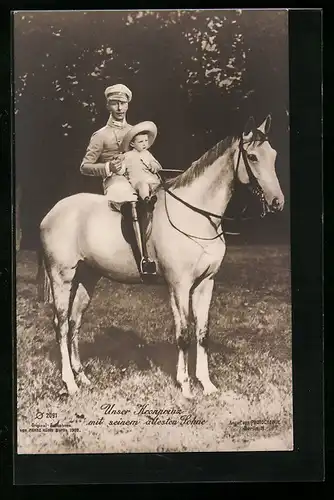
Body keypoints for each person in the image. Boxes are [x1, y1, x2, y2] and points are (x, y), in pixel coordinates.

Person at [80, 84, 157, 275]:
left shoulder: (135, 132)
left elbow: (144, 156)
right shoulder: (101, 136)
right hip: (117, 180)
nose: (120, 108)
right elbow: (85, 166)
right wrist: (108, 168)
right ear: (108, 106)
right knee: (129, 200)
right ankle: (142, 258)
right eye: (115, 104)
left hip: (139, 176)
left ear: (128, 105)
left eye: (123, 103)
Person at [120, 121, 162, 203]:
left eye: (146, 141)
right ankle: (146, 202)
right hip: (137, 181)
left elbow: (157, 164)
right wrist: (119, 161)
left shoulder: (147, 154)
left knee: (158, 187)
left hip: (152, 179)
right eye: (140, 142)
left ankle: (156, 200)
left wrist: (154, 165)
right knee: (143, 186)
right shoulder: (127, 155)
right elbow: (120, 169)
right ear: (132, 144)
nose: (144, 144)